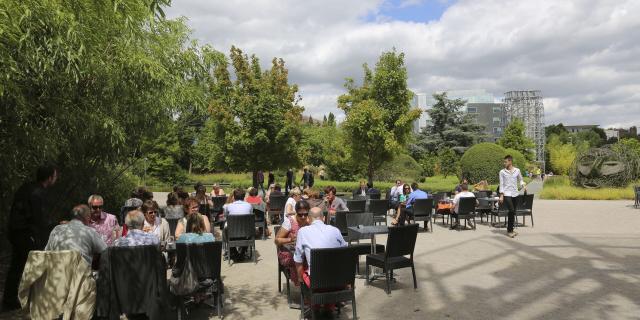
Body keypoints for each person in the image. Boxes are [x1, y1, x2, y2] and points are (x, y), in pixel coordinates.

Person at [3, 164, 58, 310]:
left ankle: (10, 300)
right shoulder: (37, 193)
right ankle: (34, 300)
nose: (56, 178)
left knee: (17, 265)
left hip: (15, 231)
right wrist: (56, 225)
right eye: (55, 175)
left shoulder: (26, 187)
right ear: (49, 177)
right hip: (24, 233)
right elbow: (38, 219)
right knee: (35, 265)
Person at [294, 206, 347, 295]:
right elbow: (345, 251)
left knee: (304, 272)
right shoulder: (335, 230)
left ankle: (315, 302)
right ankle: (329, 303)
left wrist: (300, 280)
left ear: (308, 219)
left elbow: (298, 259)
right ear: (324, 218)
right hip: (338, 281)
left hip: (316, 283)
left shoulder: (302, 232)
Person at [275, 200, 311, 287]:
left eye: (305, 214)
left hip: (305, 251)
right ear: (296, 212)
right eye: (300, 214)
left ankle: (313, 284)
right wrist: (289, 239)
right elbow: (276, 240)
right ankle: (302, 284)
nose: (303, 217)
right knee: (298, 259)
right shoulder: (289, 222)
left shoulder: (309, 221)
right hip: (287, 251)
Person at [499, 155, 527, 238]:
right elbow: (501, 184)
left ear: (510, 161)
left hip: (515, 193)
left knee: (513, 211)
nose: (504, 163)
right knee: (511, 210)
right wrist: (501, 195)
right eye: (504, 162)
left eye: (506, 162)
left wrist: (523, 186)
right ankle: (509, 230)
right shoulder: (502, 172)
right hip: (507, 193)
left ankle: (511, 228)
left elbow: (521, 180)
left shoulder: (517, 170)